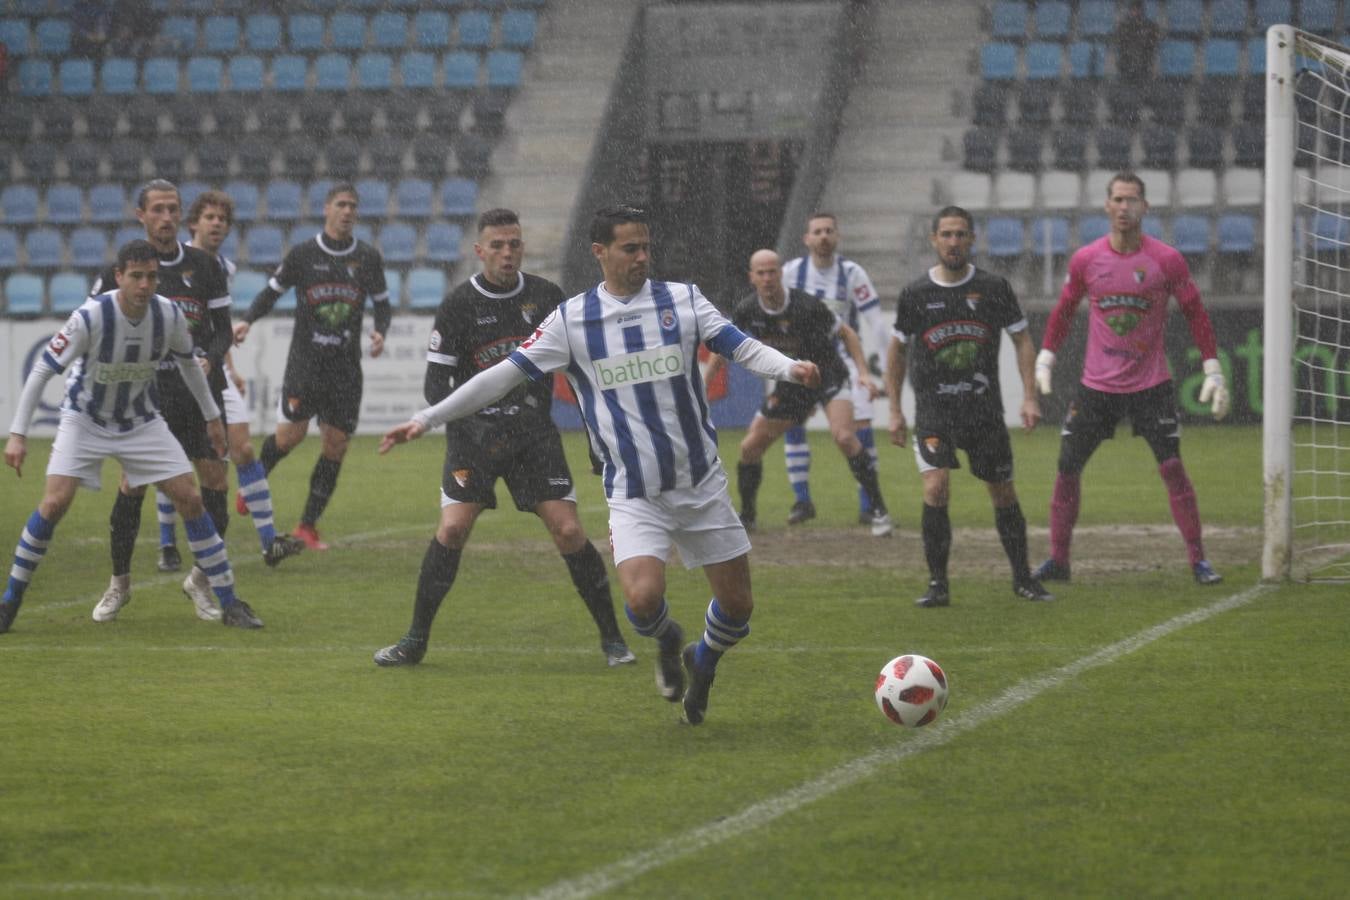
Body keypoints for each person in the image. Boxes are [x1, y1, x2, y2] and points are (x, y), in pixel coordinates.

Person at [379, 205, 820, 726]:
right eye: (630, 248)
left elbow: (740, 346)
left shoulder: (682, 299)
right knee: (642, 600)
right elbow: (501, 376)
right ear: (600, 253)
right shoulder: (573, 320)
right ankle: (669, 639)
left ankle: (703, 661)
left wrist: (788, 367)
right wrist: (427, 418)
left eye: (646, 247)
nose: (641, 257)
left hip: (701, 485)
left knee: (739, 609)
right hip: (635, 492)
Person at [372, 209, 635, 668]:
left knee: (569, 530)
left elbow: (577, 373)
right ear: (480, 251)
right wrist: (467, 420)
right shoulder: (458, 305)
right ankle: (414, 640)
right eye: (497, 245)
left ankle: (613, 641)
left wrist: (596, 437)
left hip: (532, 436)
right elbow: (437, 387)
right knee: (453, 529)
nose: (507, 253)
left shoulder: (546, 297)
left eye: (514, 243)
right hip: (473, 437)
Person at [1, 241, 263, 633]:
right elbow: (42, 370)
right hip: (85, 419)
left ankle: (230, 602)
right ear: (119, 276)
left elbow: (190, 365)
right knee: (55, 502)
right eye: (136, 276)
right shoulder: (92, 316)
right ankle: (9, 602)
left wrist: (212, 417)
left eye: (151, 277)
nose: (144, 285)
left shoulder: (168, 314)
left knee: (191, 498)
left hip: (141, 420)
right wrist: (18, 435)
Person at [1032, 172, 1230, 586]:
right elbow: (1065, 309)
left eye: (1132, 200)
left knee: (1173, 468)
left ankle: (1198, 560)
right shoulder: (1086, 259)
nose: (1125, 207)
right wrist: (1045, 358)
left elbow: (1195, 311)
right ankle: (1059, 560)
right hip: (1096, 388)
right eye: (1118, 200)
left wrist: (1213, 367)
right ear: (1106, 206)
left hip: (1150, 386)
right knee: (1067, 468)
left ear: (1145, 207)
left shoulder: (1166, 260)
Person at [88, 179, 238, 624]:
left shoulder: (205, 266)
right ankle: (119, 584)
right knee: (132, 487)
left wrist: (211, 357)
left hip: (199, 396)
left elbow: (224, 329)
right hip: (145, 401)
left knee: (215, 487)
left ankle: (201, 580)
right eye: (158, 209)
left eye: (173, 208)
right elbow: (96, 330)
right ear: (142, 215)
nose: (167, 217)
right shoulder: (123, 270)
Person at [887, 207, 1052, 608]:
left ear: (972, 240)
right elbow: (897, 350)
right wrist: (894, 407)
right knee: (936, 487)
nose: (954, 241)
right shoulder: (915, 295)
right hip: (934, 412)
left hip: (983, 413)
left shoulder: (994, 288)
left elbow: (1023, 340)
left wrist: (1029, 396)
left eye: (961, 234)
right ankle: (938, 584)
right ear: (934, 239)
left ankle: (1023, 578)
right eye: (946, 234)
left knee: (1002, 491)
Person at [233, 182, 392, 551]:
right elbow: (272, 292)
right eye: (341, 204)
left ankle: (307, 525)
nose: (348, 211)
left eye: (353, 205)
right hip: (306, 365)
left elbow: (382, 304)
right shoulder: (304, 254)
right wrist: (247, 321)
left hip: (345, 370)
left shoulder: (367, 258)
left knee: (336, 445)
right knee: (290, 437)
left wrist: (380, 332)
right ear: (326, 209)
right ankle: (252, 483)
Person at [151, 190, 304, 574]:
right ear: (194, 223)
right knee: (172, 459)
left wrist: (229, 368)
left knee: (244, 451)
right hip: (173, 376)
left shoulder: (223, 268)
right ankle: (168, 544)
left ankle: (269, 543)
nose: (218, 224)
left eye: (224, 219)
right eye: (211, 217)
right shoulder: (171, 262)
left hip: (213, 371)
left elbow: (215, 325)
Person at [709, 248, 892, 536]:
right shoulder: (748, 310)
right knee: (749, 448)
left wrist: (864, 374)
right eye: (761, 273)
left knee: (844, 436)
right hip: (793, 382)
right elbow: (722, 348)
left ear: (781, 274)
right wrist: (702, 386)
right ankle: (748, 516)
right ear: (752, 277)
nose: (768, 278)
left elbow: (847, 333)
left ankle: (879, 509)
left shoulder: (806, 305)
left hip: (828, 374)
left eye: (772, 271)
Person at [779, 212, 887, 527]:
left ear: (837, 236)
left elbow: (875, 320)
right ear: (807, 239)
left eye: (829, 230)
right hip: (800, 364)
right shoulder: (790, 273)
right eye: (818, 231)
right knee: (792, 424)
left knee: (859, 430)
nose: (824, 236)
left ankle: (869, 504)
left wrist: (879, 367)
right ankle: (802, 500)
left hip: (844, 364)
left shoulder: (852, 273)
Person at [1115, 1, 1160, 86]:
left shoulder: (1149, 26)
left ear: (1142, 11)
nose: (1135, 12)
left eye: (1138, 10)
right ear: (1130, 11)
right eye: (1133, 10)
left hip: (1144, 63)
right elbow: (1120, 43)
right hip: (1127, 62)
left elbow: (1153, 44)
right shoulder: (1124, 25)